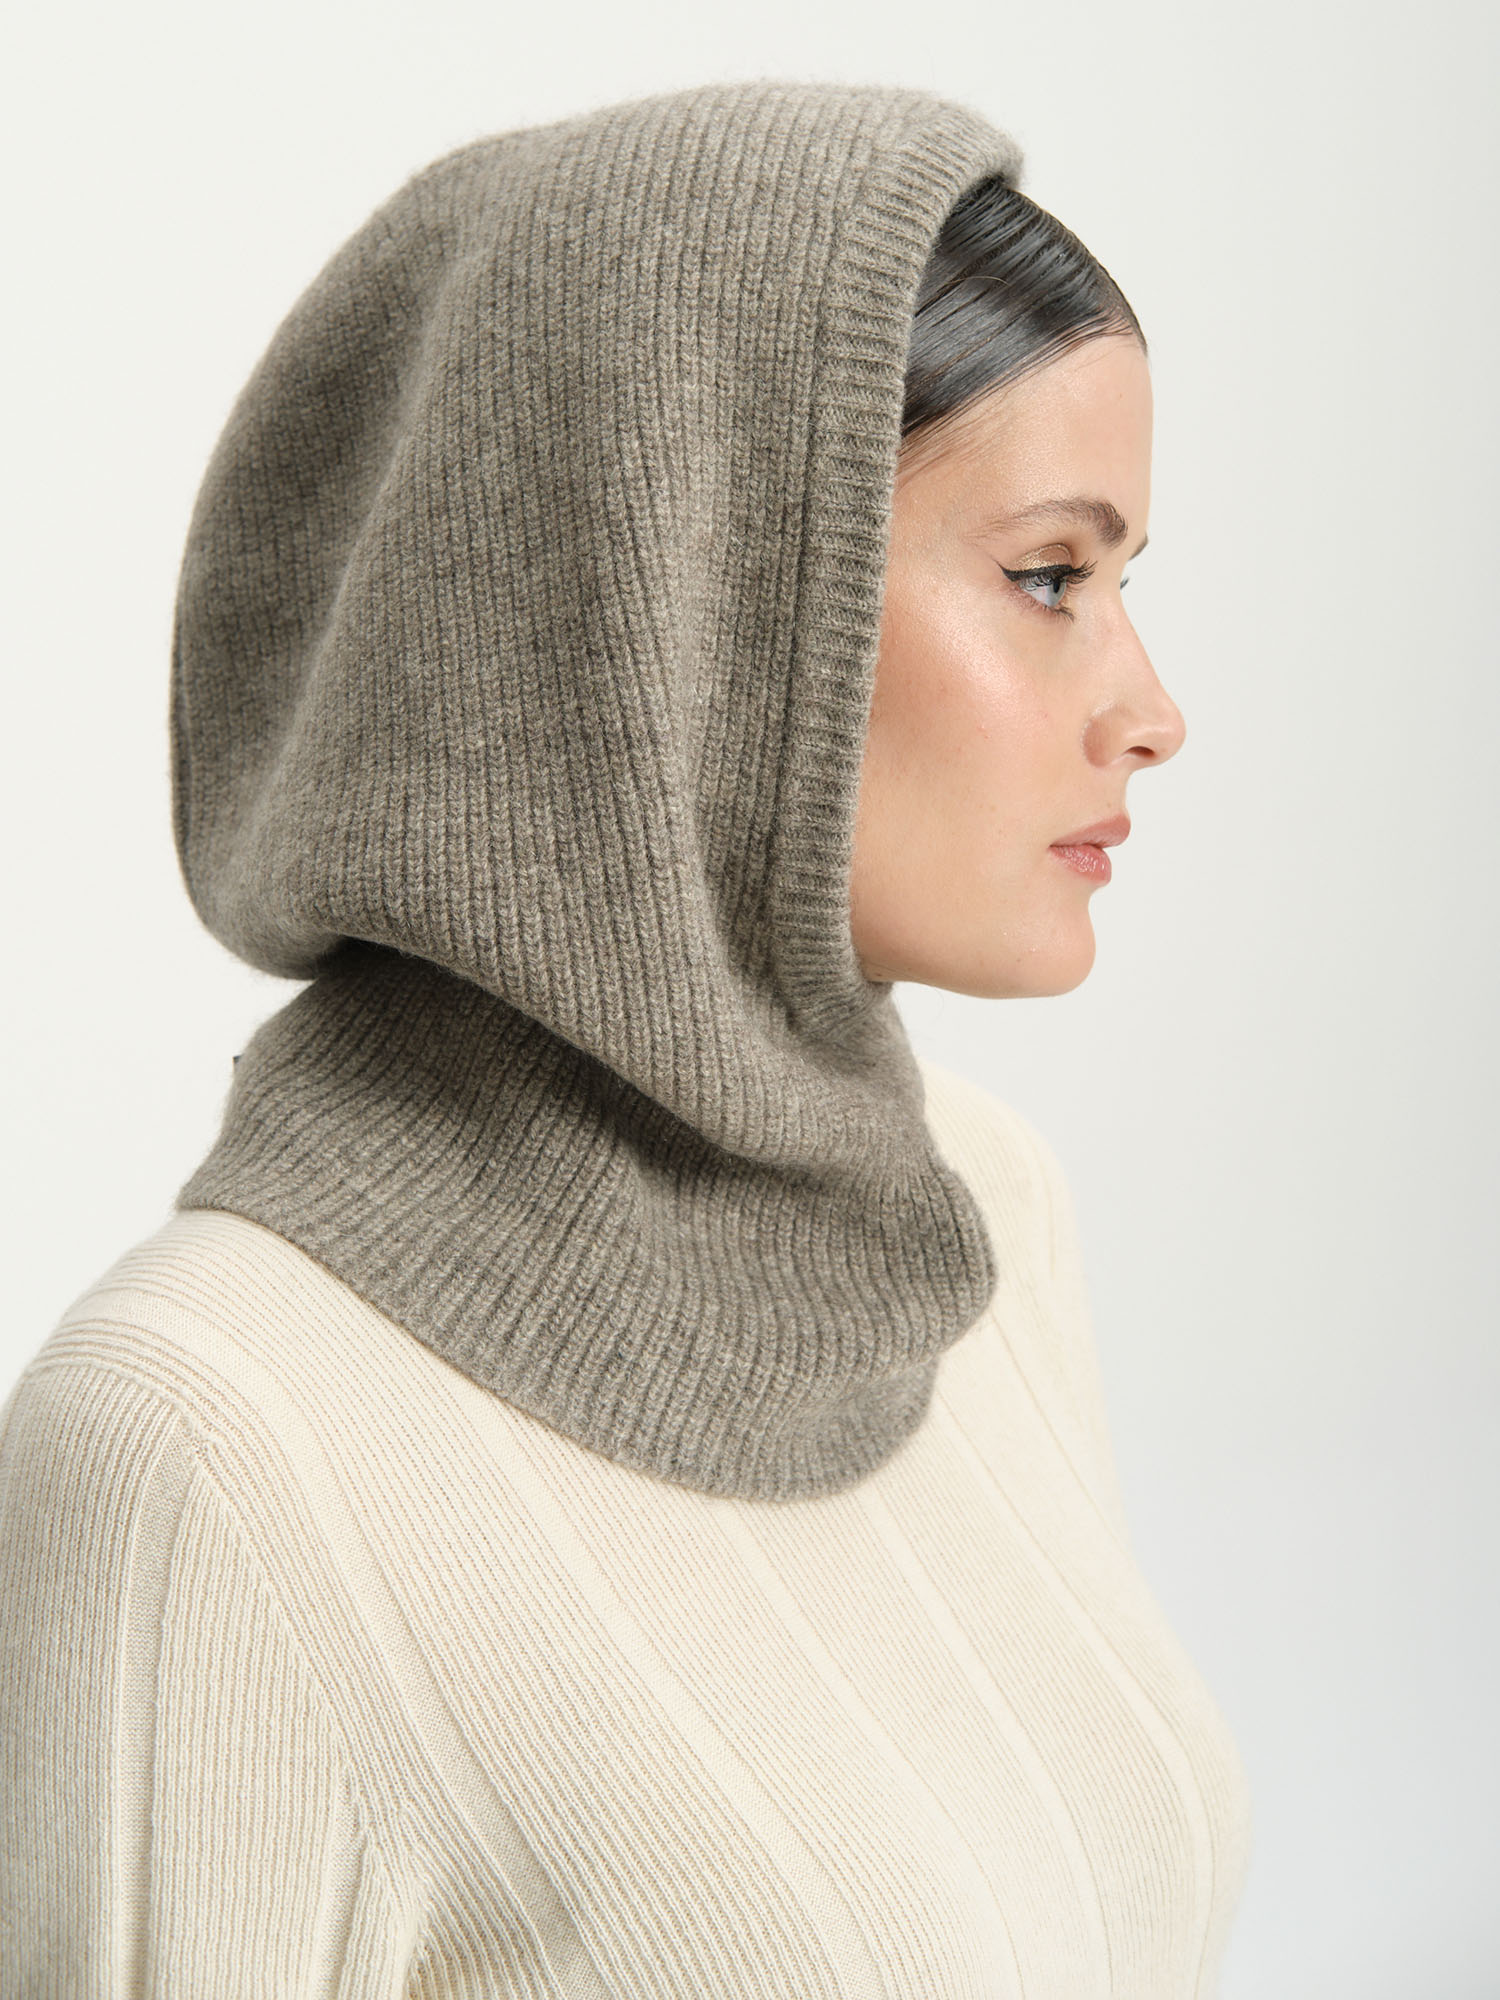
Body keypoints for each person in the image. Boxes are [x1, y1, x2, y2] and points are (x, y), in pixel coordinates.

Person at [0, 77, 1250, 1996]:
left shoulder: (982, 1219)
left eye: (1125, 581)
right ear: (687, 608)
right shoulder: (201, 1442)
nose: (1152, 709)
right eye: (1049, 577)